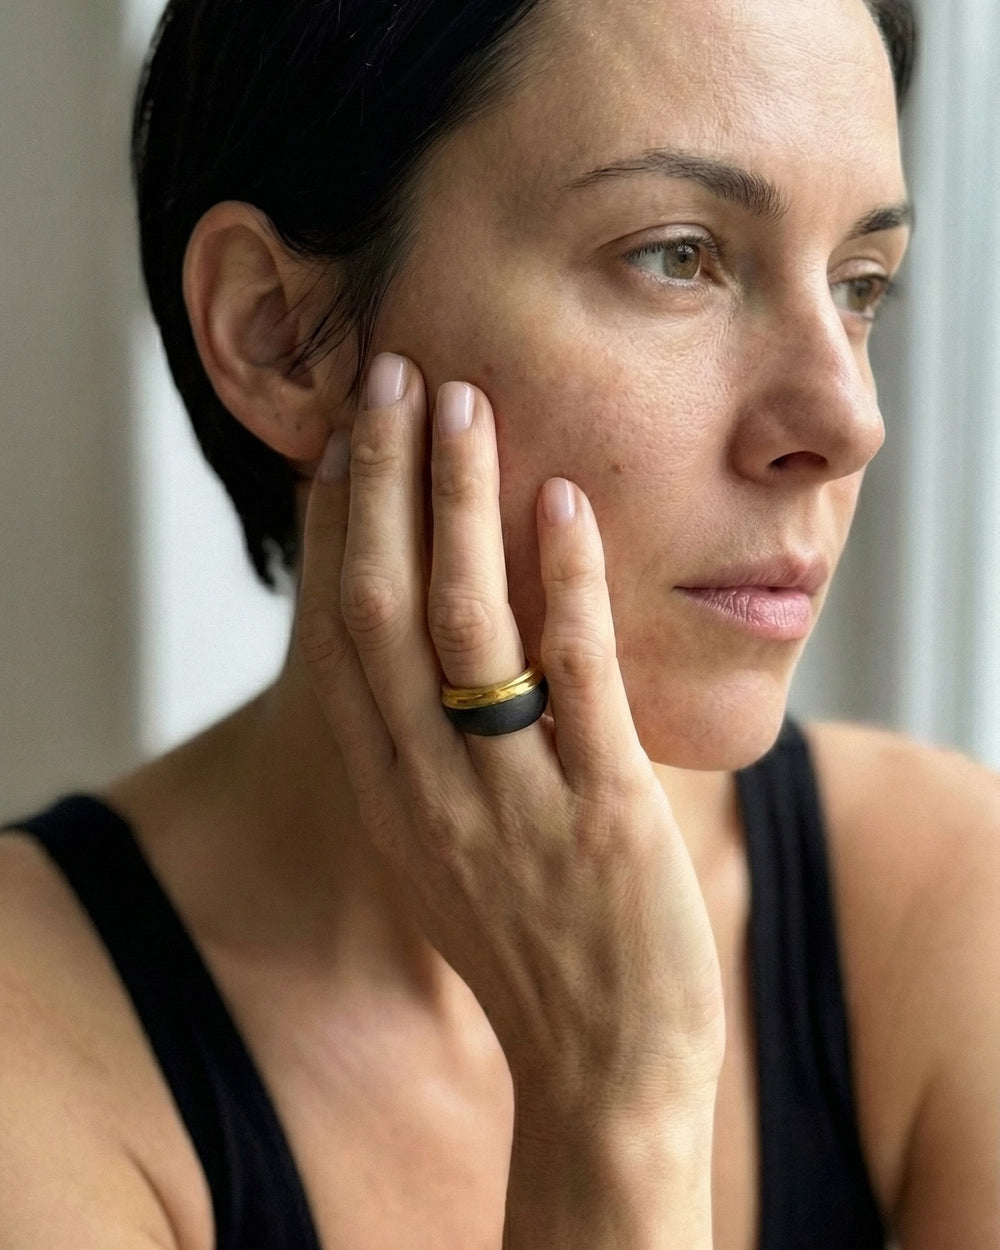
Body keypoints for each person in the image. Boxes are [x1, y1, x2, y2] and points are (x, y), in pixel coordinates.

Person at [1, 0, 997, 1246]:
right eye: (677, 253)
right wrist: (613, 1100)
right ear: (276, 335)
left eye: (860, 284)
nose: (846, 419)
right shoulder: (27, 1049)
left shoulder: (947, 904)